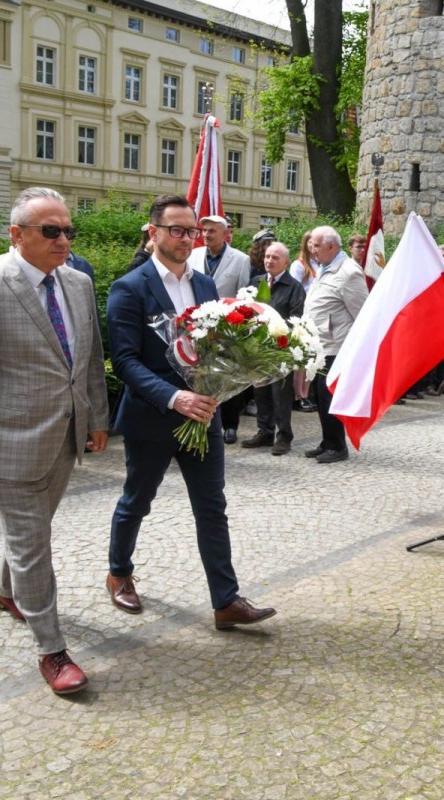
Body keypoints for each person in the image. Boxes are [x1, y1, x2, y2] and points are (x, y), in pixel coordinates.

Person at [0, 187, 109, 695]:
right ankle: (52, 650)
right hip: (11, 441)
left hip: (65, 435)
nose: (64, 240)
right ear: (17, 236)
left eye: (68, 230)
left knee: (31, 532)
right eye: (51, 231)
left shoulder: (78, 283)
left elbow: (89, 358)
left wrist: (97, 417)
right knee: (34, 543)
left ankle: (4, 589)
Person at [104, 193, 275, 630]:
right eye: (176, 230)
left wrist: (227, 380)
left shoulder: (203, 284)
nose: (186, 238)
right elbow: (124, 361)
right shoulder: (129, 287)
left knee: (212, 507)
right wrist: (174, 396)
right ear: (153, 233)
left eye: (192, 231)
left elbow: (214, 347)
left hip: (205, 414)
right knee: (137, 501)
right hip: (152, 416)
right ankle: (119, 573)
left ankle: (225, 601)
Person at [304, 225, 368, 464]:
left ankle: (337, 446)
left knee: (329, 396)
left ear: (331, 246)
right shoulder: (324, 267)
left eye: (317, 245)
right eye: (311, 245)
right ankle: (327, 440)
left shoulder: (349, 272)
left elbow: (362, 312)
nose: (312, 250)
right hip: (320, 344)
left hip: (337, 345)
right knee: (320, 397)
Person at [187, 214, 251, 443]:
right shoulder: (193, 256)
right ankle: (199, 419)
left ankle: (230, 424)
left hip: (226, 328)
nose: (206, 235)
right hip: (196, 327)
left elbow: (244, 297)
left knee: (227, 375)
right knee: (199, 376)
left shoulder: (240, 259)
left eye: (212, 231)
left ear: (225, 234)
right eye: (203, 231)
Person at [241, 241, 305, 455]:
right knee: (260, 393)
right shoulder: (257, 281)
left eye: (275, 257)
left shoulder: (293, 287)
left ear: (286, 262)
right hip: (257, 349)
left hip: (279, 350)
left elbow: (297, 318)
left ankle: (284, 436)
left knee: (280, 396)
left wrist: (276, 332)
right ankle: (264, 431)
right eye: (267, 256)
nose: (269, 260)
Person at [289, 230, 317, 413]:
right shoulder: (299, 265)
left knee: (312, 357)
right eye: (311, 243)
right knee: (300, 358)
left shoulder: (319, 264)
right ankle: (297, 395)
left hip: (315, 317)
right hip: (303, 316)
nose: (313, 247)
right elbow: (295, 289)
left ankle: (306, 393)